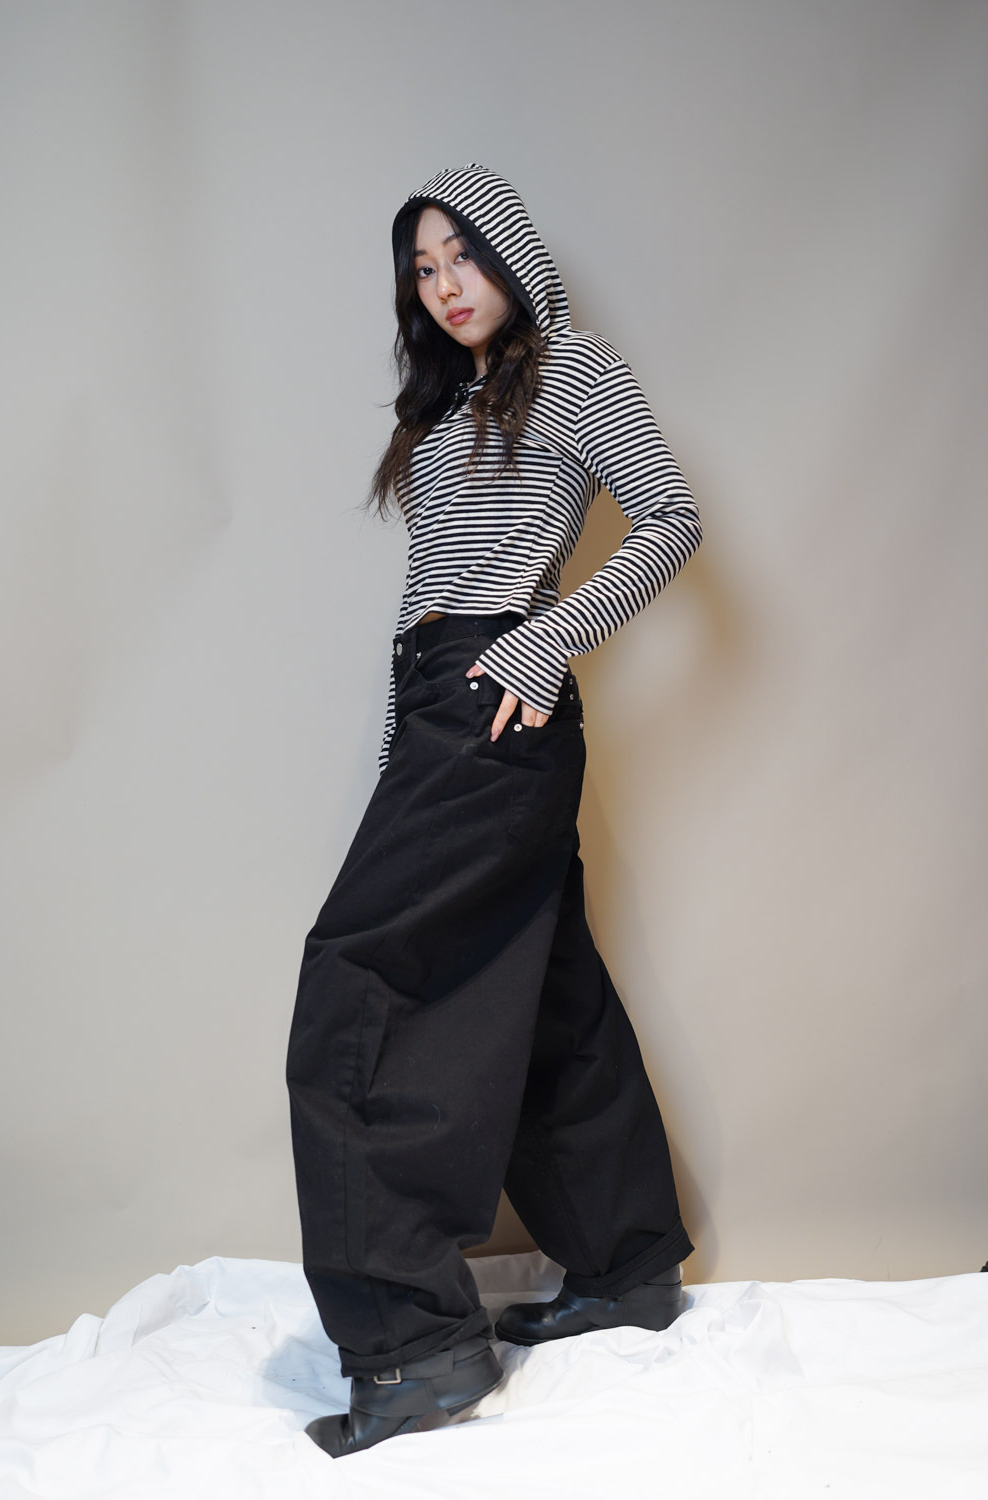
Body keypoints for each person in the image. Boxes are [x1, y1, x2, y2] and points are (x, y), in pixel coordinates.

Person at [285, 162, 702, 1459]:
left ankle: (415, 1351)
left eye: (463, 255)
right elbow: (432, 589)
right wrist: (412, 731)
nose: (445, 284)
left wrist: (544, 639)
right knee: (547, 992)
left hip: (494, 698)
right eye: (423, 269)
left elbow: (671, 519)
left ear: (511, 255)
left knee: (362, 984)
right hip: (449, 708)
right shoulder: (452, 403)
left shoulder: (571, 366)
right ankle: (626, 1264)